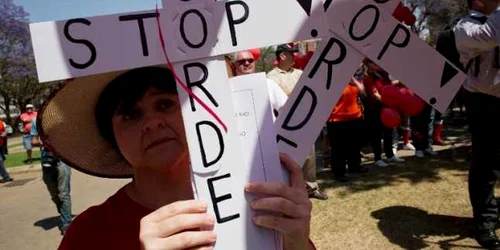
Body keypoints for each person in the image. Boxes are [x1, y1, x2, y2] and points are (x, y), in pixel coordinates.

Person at [36, 66, 315, 249]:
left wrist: (298, 241)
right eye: (131, 114)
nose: (152, 122)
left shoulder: (257, 203)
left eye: (165, 104)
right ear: (112, 138)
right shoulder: (88, 234)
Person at [454, 0, 500, 248]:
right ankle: (485, 222)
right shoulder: (466, 27)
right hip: (485, 103)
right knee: (486, 164)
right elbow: (491, 36)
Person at [267, 44, 328, 200]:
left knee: (309, 157)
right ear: (282, 56)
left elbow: (310, 91)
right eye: (291, 54)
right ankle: (292, 190)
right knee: (288, 159)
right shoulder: (271, 77)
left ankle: (311, 188)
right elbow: (282, 98)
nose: (295, 56)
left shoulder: (300, 73)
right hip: (283, 125)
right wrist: (299, 93)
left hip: (305, 120)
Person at [31, 118, 72, 235]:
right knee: (54, 193)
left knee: (63, 193)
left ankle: (66, 223)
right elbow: (33, 141)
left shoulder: (62, 120)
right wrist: (42, 142)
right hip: (46, 160)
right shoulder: (36, 121)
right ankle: (64, 213)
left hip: (62, 160)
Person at [362, 59, 405, 167]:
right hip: (374, 109)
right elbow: (374, 94)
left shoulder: (384, 74)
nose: (377, 64)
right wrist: (386, 101)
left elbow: (389, 85)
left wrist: (399, 82)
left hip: (387, 108)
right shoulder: (368, 78)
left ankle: (390, 155)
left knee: (388, 132)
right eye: (373, 62)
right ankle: (378, 158)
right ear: (368, 65)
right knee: (376, 134)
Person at [327, 77, 368, 182]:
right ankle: (339, 172)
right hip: (337, 119)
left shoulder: (351, 81)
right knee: (338, 148)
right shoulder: (331, 81)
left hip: (355, 117)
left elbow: (363, 92)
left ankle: (354, 166)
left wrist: (353, 80)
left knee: (355, 145)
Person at [233, 50, 288, 116]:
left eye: (250, 60)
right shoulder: (229, 87)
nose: (247, 63)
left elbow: (286, 108)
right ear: (235, 64)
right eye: (242, 61)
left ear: (254, 63)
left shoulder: (268, 83)